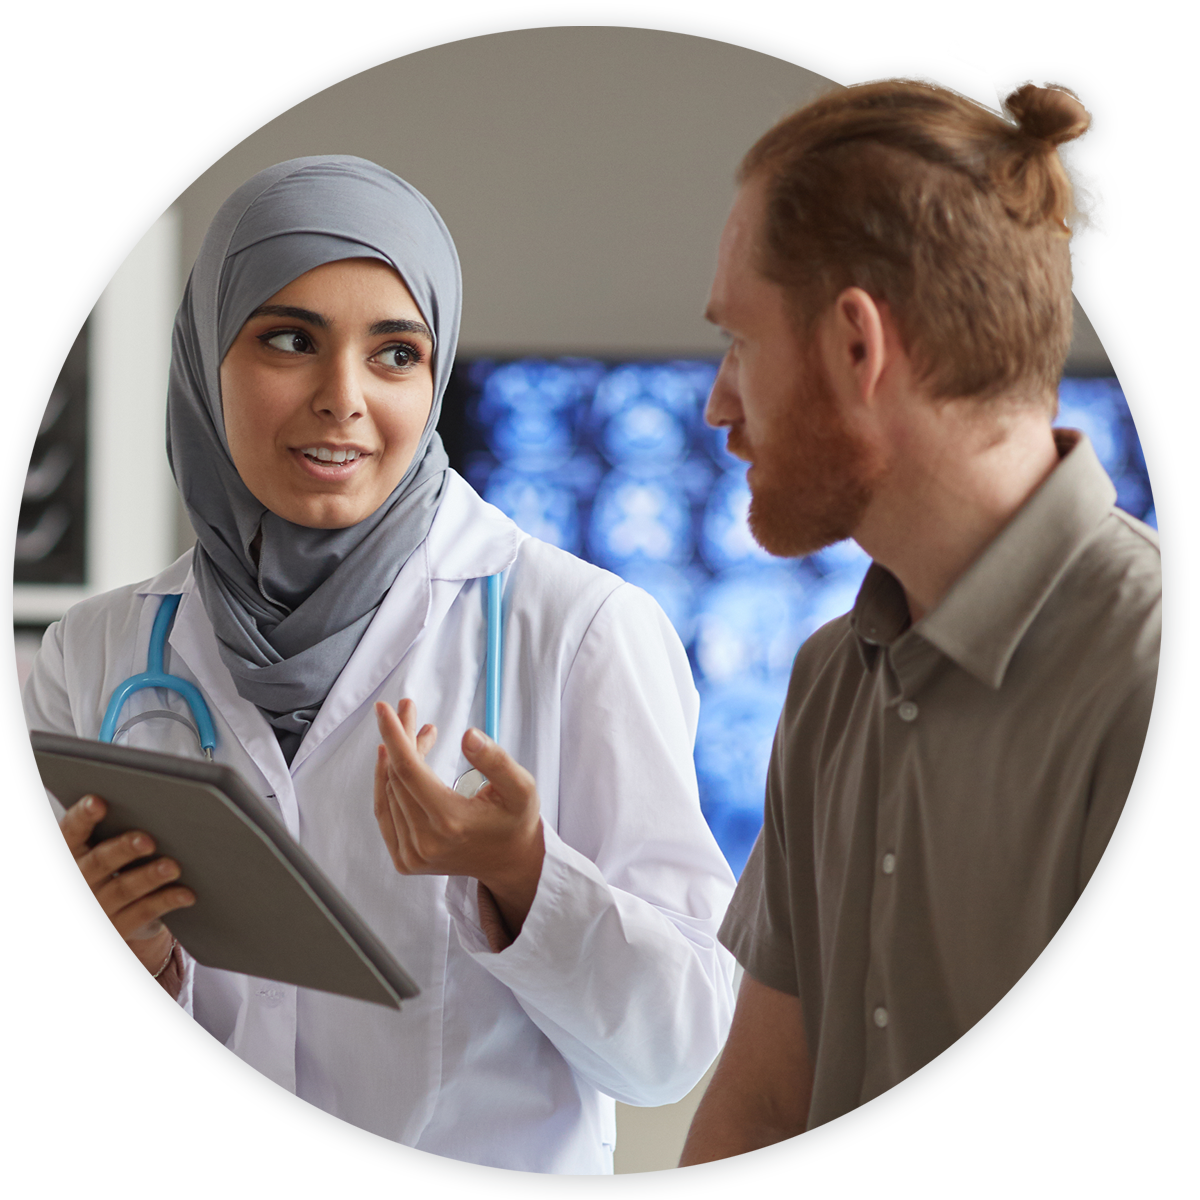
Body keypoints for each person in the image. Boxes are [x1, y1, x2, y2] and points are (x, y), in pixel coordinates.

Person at [21, 155, 737, 1175]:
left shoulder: (578, 629)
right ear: (203, 357)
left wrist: (524, 875)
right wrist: (118, 964)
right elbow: (58, 1081)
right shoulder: (97, 653)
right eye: (287, 340)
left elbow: (674, 1049)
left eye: (395, 354)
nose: (342, 398)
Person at [678, 79, 1161, 1173]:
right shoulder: (832, 679)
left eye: (739, 343)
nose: (719, 403)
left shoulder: (1148, 687)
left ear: (858, 346)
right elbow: (760, 1107)